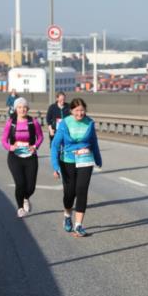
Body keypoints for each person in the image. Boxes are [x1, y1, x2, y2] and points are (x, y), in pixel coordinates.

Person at [50, 97, 102, 237]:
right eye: (77, 110)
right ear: (71, 111)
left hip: (85, 160)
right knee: (69, 193)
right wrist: (55, 166)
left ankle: (78, 225)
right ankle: (67, 215)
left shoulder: (89, 122)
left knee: (82, 190)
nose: (80, 113)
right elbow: (55, 145)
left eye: (82, 110)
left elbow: (94, 142)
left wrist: (98, 159)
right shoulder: (65, 123)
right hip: (68, 161)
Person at [1, 97, 44, 218]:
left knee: (31, 186)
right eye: (19, 107)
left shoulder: (33, 122)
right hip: (15, 157)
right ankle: (20, 208)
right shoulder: (11, 122)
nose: (22, 109)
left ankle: (26, 197)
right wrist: (10, 147)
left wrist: (35, 146)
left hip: (30, 157)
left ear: (28, 108)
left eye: (24, 107)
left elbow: (40, 137)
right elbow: (4, 140)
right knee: (20, 183)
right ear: (16, 109)